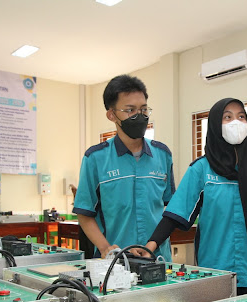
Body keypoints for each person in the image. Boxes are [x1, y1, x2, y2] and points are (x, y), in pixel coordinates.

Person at [139, 98, 247, 295]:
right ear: (214, 125)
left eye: (241, 117)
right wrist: (150, 246)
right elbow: (175, 214)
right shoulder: (201, 169)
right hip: (215, 271)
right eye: (227, 118)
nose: (235, 123)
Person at [73, 74, 175, 260]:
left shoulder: (163, 155)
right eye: (130, 110)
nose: (139, 115)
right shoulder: (95, 158)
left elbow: (169, 210)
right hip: (115, 261)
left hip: (158, 259)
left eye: (144, 109)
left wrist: (152, 245)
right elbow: (84, 213)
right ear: (112, 115)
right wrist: (105, 248)